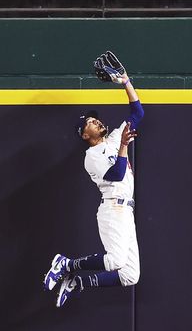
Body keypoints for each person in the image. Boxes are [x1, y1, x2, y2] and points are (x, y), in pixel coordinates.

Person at [44, 51, 144, 308]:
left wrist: (126, 82)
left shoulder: (112, 139)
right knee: (114, 262)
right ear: (84, 134)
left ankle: (76, 282)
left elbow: (138, 112)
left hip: (126, 210)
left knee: (130, 274)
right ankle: (67, 264)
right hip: (112, 208)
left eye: (95, 118)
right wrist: (123, 146)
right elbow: (117, 174)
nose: (96, 121)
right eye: (90, 121)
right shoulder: (91, 156)